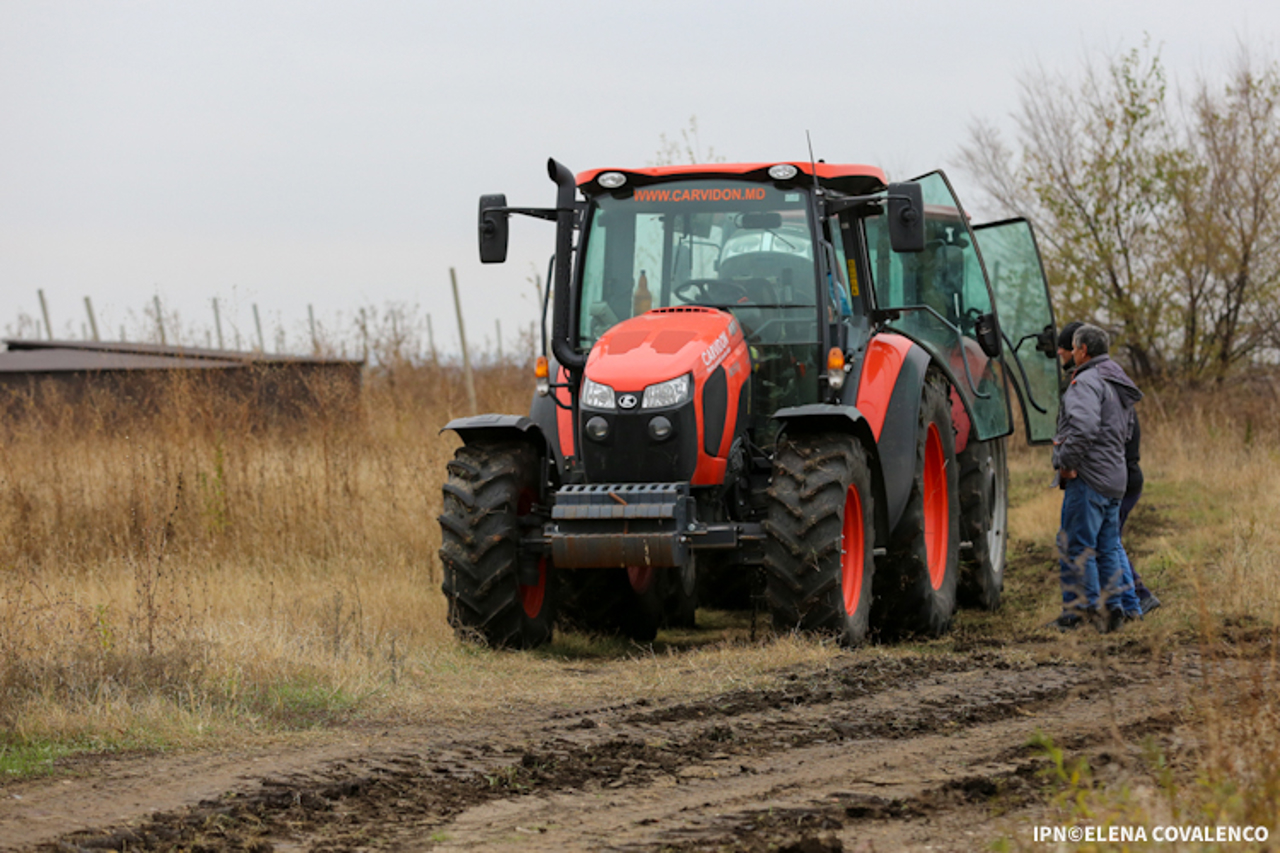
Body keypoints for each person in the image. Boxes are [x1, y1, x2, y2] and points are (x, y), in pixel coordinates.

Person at [1056, 323, 1160, 615]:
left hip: (1091, 478)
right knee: (1109, 546)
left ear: (1083, 351)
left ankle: (1081, 612)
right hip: (1117, 477)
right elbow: (1127, 432)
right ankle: (1121, 609)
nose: (1071, 353)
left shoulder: (1086, 382)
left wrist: (1067, 463)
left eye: (1073, 348)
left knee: (1076, 546)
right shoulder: (1118, 380)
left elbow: (1084, 428)